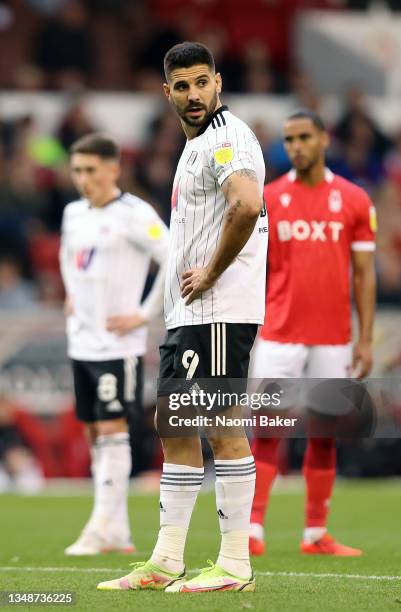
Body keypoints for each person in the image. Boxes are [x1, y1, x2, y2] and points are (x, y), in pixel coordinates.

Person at [97, 42, 268, 593]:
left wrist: (212, 273)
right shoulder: (195, 146)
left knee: (220, 425)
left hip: (217, 312)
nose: (193, 94)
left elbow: (246, 203)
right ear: (166, 91)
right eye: (182, 85)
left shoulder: (225, 138)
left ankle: (235, 565)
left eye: (202, 82)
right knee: (173, 426)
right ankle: (168, 559)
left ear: (218, 82)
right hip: (191, 314)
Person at [248, 109, 376, 556]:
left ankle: (315, 534)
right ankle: (252, 529)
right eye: (288, 139)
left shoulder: (355, 200)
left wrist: (365, 337)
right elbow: (249, 270)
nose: (295, 146)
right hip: (280, 332)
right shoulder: (267, 199)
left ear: (324, 139)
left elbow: (364, 274)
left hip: (333, 336)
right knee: (268, 429)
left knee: (323, 433)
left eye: (304, 137)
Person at [59, 133, 169, 555]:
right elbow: (69, 257)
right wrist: (72, 290)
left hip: (116, 344)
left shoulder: (134, 214)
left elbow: (172, 256)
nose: (83, 179)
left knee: (111, 427)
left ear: (113, 169)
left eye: (90, 170)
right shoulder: (73, 213)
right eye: (77, 170)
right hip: (81, 341)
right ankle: (116, 530)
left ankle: (101, 526)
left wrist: (144, 313)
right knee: (92, 430)